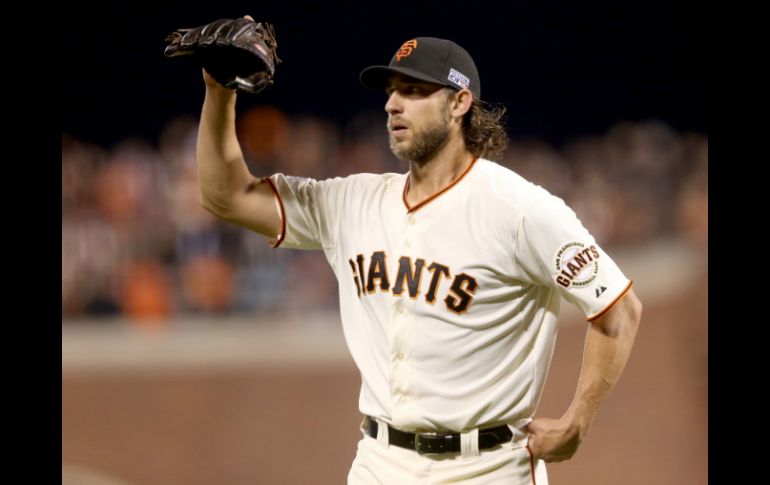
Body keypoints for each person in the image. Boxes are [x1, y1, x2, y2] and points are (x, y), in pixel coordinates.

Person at [195, 24, 642, 485]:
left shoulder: (521, 210)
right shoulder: (352, 201)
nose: (392, 104)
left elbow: (619, 310)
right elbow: (226, 197)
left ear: (459, 102)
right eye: (391, 91)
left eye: (413, 90)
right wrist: (218, 90)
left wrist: (577, 421)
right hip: (379, 462)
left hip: (488, 467)